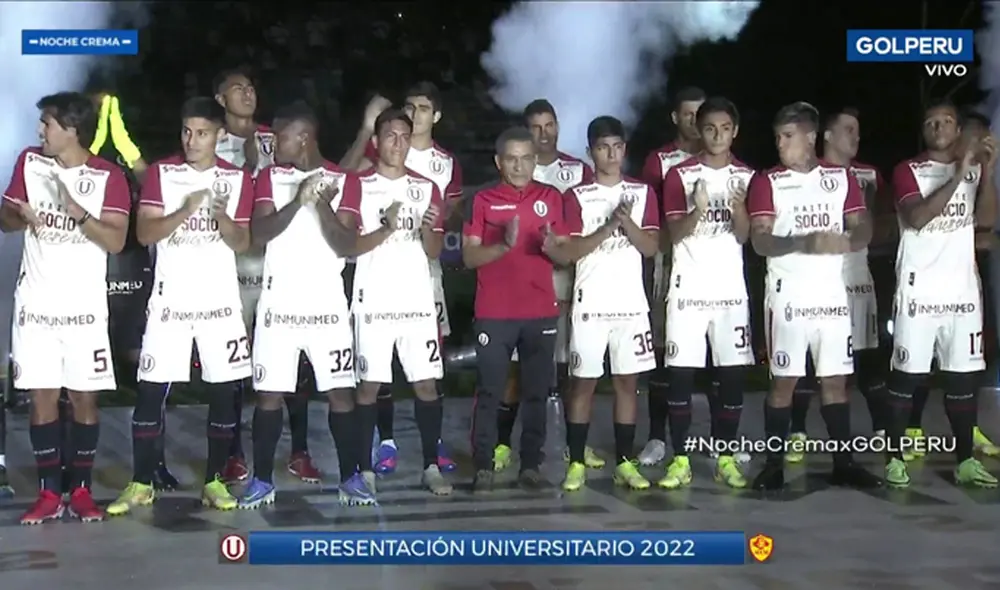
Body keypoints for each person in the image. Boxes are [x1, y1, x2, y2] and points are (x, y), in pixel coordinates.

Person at [106, 97, 254, 516]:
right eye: (187, 131)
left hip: (219, 306)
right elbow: (145, 232)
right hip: (170, 304)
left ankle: (214, 481)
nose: (191, 140)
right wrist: (186, 210)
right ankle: (141, 482)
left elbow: (243, 242)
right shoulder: (162, 173)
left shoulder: (237, 179)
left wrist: (222, 219)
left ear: (219, 135)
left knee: (223, 391)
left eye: (202, 133)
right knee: (151, 391)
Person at [3, 92, 131, 524]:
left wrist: (78, 214)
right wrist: (20, 217)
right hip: (36, 305)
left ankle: (81, 491)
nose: (40, 130)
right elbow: (4, 218)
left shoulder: (108, 176)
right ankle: (49, 493)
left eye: (48, 123)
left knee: (83, 399)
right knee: (41, 397)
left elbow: (116, 241)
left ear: (73, 130)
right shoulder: (29, 162)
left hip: (84, 310)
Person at [746, 101, 881, 491]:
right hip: (788, 297)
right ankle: (774, 465)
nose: (780, 144)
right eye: (777, 137)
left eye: (787, 136)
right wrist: (804, 242)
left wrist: (849, 241)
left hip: (831, 296)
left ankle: (844, 463)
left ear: (809, 137)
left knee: (836, 381)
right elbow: (760, 241)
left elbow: (862, 226)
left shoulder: (839, 177)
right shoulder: (767, 181)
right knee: (784, 382)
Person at [237, 102, 362, 508]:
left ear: (303, 137)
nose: (274, 144)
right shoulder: (270, 177)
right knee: (269, 395)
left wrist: (320, 202)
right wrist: (297, 201)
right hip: (279, 306)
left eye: (281, 137)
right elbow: (259, 234)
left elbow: (345, 244)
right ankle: (261, 480)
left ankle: (350, 477)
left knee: (340, 393)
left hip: (327, 307)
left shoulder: (345, 180)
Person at [342, 83, 461, 475]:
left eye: (404, 137)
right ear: (377, 141)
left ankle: (430, 465)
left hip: (416, 301)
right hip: (373, 300)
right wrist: (386, 228)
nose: (398, 143)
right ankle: (364, 470)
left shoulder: (426, 188)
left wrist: (428, 229)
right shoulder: (359, 185)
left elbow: (433, 249)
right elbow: (348, 245)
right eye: (390, 136)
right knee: (369, 386)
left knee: (426, 383)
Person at [882, 102, 998, 488]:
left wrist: (987, 173)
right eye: (931, 122)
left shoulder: (974, 170)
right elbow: (917, 218)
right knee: (907, 378)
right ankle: (894, 458)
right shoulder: (908, 170)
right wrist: (957, 177)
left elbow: (986, 221)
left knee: (963, 380)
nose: (938, 127)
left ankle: (966, 461)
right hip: (920, 293)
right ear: (924, 130)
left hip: (963, 293)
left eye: (946, 121)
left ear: (957, 129)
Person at [213, 68, 317, 484]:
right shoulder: (209, 139)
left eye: (251, 86)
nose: (247, 92)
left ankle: (300, 451)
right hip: (233, 265)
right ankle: (234, 454)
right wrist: (250, 169)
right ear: (220, 99)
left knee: (292, 358)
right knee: (234, 362)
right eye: (237, 88)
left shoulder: (276, 137)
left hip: (279, 263)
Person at [494, 99, 601, 474]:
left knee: (571, 368)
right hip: (524, 285)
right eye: (535, 127)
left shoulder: (578, 171)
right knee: (516, 371)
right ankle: (502, 444)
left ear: (558, 126)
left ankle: (576, 447)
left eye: (549, 125)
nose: (543, 133)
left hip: (567, 283)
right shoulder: (517, 169)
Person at [464, 126, 568, 491]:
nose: (519, 166)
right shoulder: (483, 200)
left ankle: (531, 465)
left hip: (540, 310)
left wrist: (553, 248)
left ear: (535, 161)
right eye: (511, 159)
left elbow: (564, 253)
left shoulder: (551, 197)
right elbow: (469, 257)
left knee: (537, 392)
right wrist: (503, 246)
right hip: (494, 312)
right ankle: (483, 464)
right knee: (490, 391)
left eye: (526, 159)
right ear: (499, 162)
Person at [559, 116, 659, 492]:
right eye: (603, 148)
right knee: (582, 384)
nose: (611, 154)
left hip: (631, 305)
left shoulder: (643, 192)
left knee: (627, 384)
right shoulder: (577, 197)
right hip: (591, 304)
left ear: (624, 150)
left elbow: (650, 247)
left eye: (617, 147)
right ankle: (576, 462)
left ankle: (624, 463)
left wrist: (626, 223)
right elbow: (570, 252)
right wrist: (607, 228)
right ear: (591, 152)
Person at [658, 97, 754, 489]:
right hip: (689, 290)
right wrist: (697, 210)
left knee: (731, 376)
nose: (717, 136)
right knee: (681, 376)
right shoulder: (679, 175)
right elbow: (672, 236)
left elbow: (745, 237)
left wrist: (739, 210)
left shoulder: (747, 175)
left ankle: (725, 457)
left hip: (730, 292)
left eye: (725, 128)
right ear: (699, 129)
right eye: (710, 128)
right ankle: (680, 459)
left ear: (735, 131)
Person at [785, 107, 890, 462]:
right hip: (815, 281)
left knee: (865, 355)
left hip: (857, 280)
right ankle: (797, 431)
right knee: (806, 360)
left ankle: (882, 431)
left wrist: (864, 226)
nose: (856, 137)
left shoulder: (869, 175)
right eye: (848, 130)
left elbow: (882, 224)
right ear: (826, 136)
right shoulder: (806, 174)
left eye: (857, 130)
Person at [638, 86, 708, 467]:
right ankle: (656, 437)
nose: (695, 121)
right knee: (664, 352)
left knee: (715, 355)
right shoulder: (660, 161)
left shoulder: (721, 160)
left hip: (713, 270)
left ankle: (719, 440)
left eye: (701, 114)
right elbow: (650, 218)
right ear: (675, 118)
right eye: (688, 114)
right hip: (672, 265)